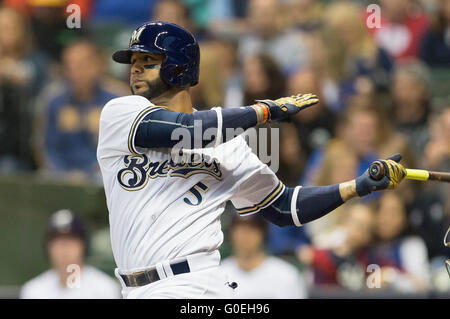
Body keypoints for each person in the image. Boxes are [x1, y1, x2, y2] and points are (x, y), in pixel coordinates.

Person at [97, 21, 406, 299]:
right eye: (133, 62)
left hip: (192, 283)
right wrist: (264, 111)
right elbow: (187, 130)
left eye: (147, 61)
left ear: (178, 67)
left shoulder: (231, 145)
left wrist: (358, 186)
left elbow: (284, 207)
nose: (134, 69)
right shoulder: (121, 114)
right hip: (134, 288)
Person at [20, 209, 121, 299]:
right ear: (48, 247)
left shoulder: (104, 289)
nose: (63, 249)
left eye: (70, 241)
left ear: (83, 246)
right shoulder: (33, 291)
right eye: (57, 242)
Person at [221, 215, 307, 298]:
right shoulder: (218, 275)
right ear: (231, 233)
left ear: (263, 233)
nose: (245, 235)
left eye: (252, 228)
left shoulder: (287, 275)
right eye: (240, 229)